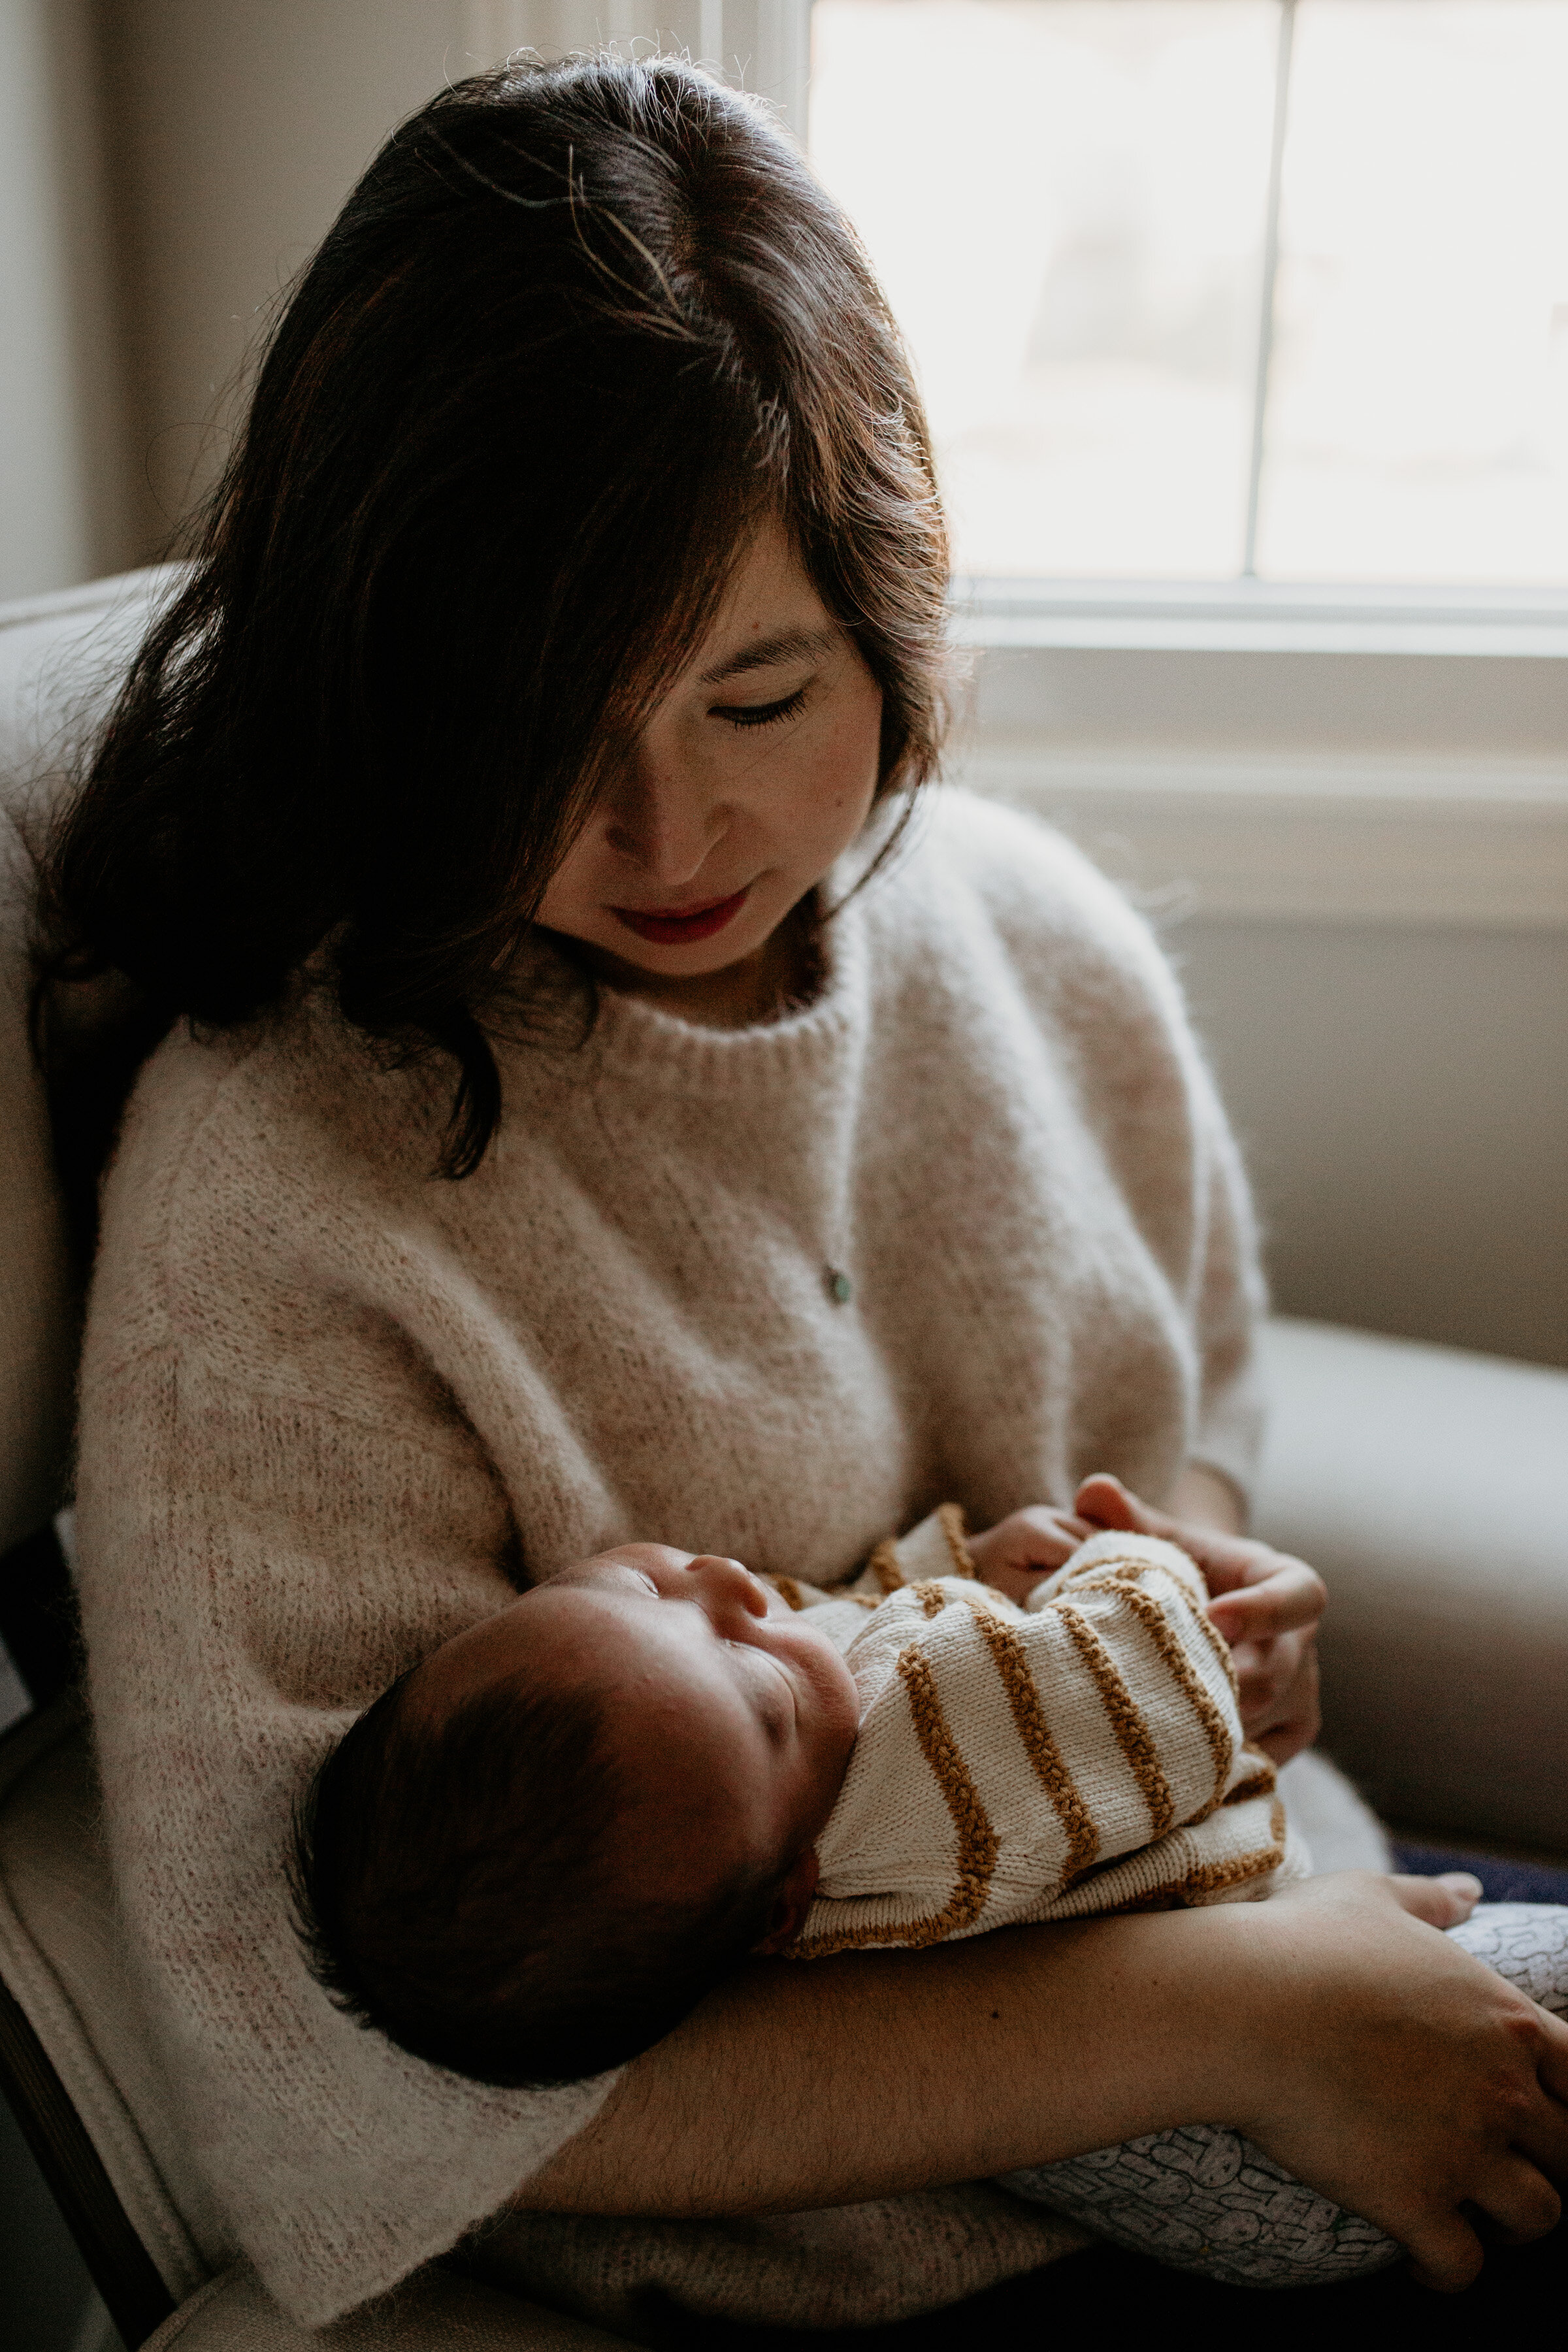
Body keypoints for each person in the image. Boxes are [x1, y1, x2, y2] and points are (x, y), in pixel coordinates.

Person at [33, 50, 1568, 2338]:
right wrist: (1229, 2022)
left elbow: (1187, 1408)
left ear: (896, 607)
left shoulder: (1029, 938)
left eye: (760, 698)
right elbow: (351, 2091)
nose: (675, 844)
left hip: (1302, 1934)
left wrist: (1197, 1600)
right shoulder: (281, 1215)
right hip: (957, 2227)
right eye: (550, 735)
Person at [288, 1501, 1568, 2295]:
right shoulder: (913, 1784)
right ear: (790, 1900)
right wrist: (1148, 1566)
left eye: (639, 1588)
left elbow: (846, 1626)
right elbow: (1128, 1697)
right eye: (759, 1684)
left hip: (1281, 2022)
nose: (729, 1589)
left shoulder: (722, 1800)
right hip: (1285, 2144)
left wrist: (972, 1563)